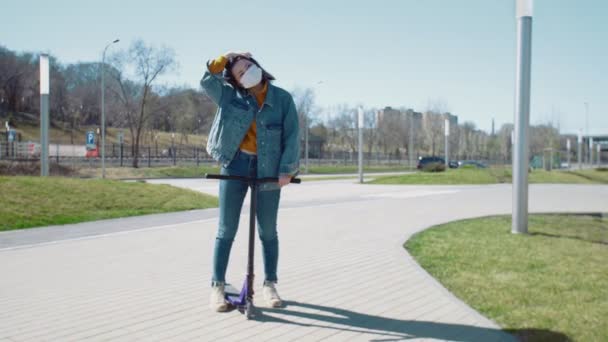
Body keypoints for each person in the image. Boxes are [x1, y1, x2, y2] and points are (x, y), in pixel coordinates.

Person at [200, 52, 300, 312]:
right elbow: (206, 81)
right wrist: (223, 60)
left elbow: (292, 136)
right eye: (240, 74)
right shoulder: (230, 96)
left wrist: (286, 170)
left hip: (268, 169)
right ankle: (217, 287)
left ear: (258, 65)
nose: (246, 73)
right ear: (236, 81)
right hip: (235, 165)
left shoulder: (282, 99)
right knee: (226, 230)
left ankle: (269, 284)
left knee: (268, 231)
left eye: (248, 67)